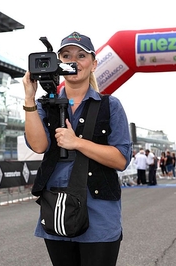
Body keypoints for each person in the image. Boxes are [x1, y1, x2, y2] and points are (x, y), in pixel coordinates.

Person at [23, 32, 132, 266]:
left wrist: (77, 143)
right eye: (66, 55)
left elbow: (121, 159)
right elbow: (39, 145)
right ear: (58, 63)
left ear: (93, 64)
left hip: (99, 213)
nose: (74, 61)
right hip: (57, 209)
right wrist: (30, 99)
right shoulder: (44, 106)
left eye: (81, 56)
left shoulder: (110, 105)